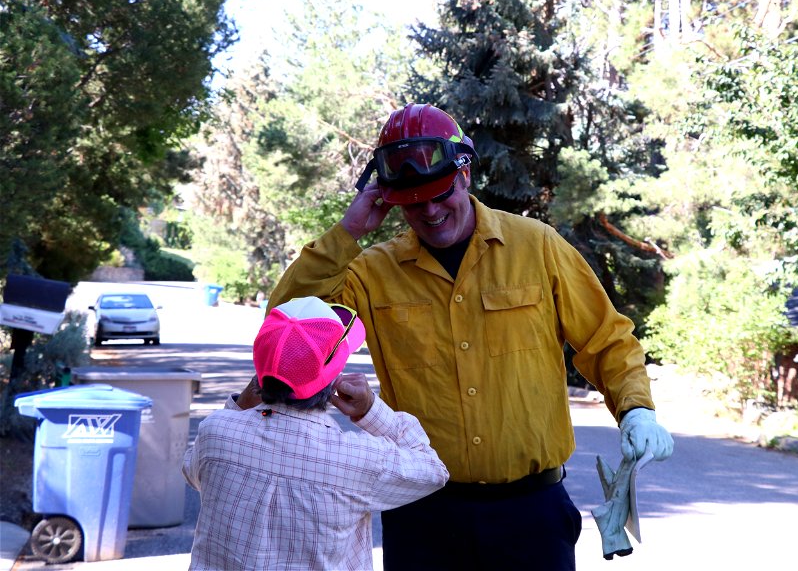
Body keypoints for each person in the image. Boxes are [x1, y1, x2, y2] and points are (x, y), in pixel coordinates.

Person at [263, 103, 674, 570]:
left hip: (532, 515)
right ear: (391, 199)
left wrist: (636, 410)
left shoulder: (537, 246)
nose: (432, 212)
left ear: (465, 175)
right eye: (414, 203)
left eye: (441, 194)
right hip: (422, 515)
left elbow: (607, 339)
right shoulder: (371, 272)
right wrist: (349, 230)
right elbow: (286, 323)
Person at [182, 296, 449, 571]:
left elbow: (193, 471)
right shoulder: (358, 459)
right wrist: (369, 409)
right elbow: (434, 470)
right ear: (334, 378)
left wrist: (241, 405)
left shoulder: (216, 432)